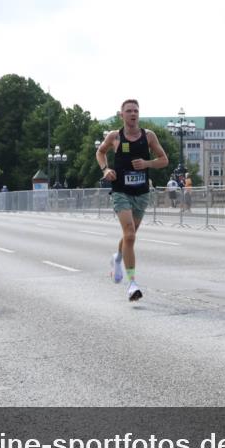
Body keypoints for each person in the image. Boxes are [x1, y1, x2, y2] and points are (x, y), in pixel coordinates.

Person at [96, 99, 169, 302]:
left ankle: (117, 258)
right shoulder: (115, 136)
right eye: (128, 111)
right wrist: (106, 169)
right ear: (122, 115)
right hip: (121, 191)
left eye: (136, 110)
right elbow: (100, 152)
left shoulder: (148, 136)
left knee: (130, 235)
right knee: (129, 235)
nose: (133, 114)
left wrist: (147, 163)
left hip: (142, 193)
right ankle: (132, 284)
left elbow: (164, 160)